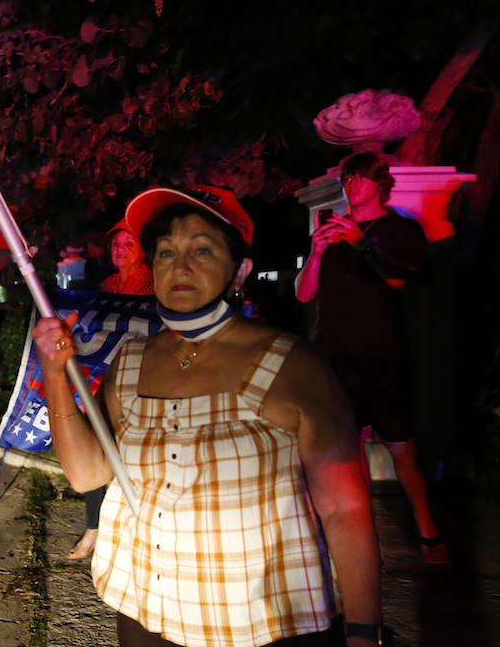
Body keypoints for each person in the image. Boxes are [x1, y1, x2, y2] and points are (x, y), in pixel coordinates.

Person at [34, 185, 384, 647]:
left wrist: (363, 633)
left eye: (202, 248)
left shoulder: (292, 364)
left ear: (240, 269)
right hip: (144, 613)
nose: (179, 267)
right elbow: (86, 474)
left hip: (259, 623)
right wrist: (56, 375)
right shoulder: (131, 361)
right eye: (164, 252)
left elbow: (344, 508)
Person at [295, 152, 445, 563]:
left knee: (403, 451)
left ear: (380, 183)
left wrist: (359, 243)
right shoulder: (332, 232)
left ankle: (426, 524)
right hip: (336, 356)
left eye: (361, 179)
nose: (352, 186)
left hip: (384, 355)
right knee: (349, 451)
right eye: (348, 179)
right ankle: (363, 529)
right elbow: (304, 293)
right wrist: (318, 252)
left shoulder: (400, 228)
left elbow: (401, 281)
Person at [68, 219, 156, 560]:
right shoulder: (108, 284)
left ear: (143, 250)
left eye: (128, 244)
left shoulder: (153, 284)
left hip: (142, 381)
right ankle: (93, 528)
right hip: (106, 379)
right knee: (97, 443)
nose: (120, 250)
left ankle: (134, 527)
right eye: (116, 244)